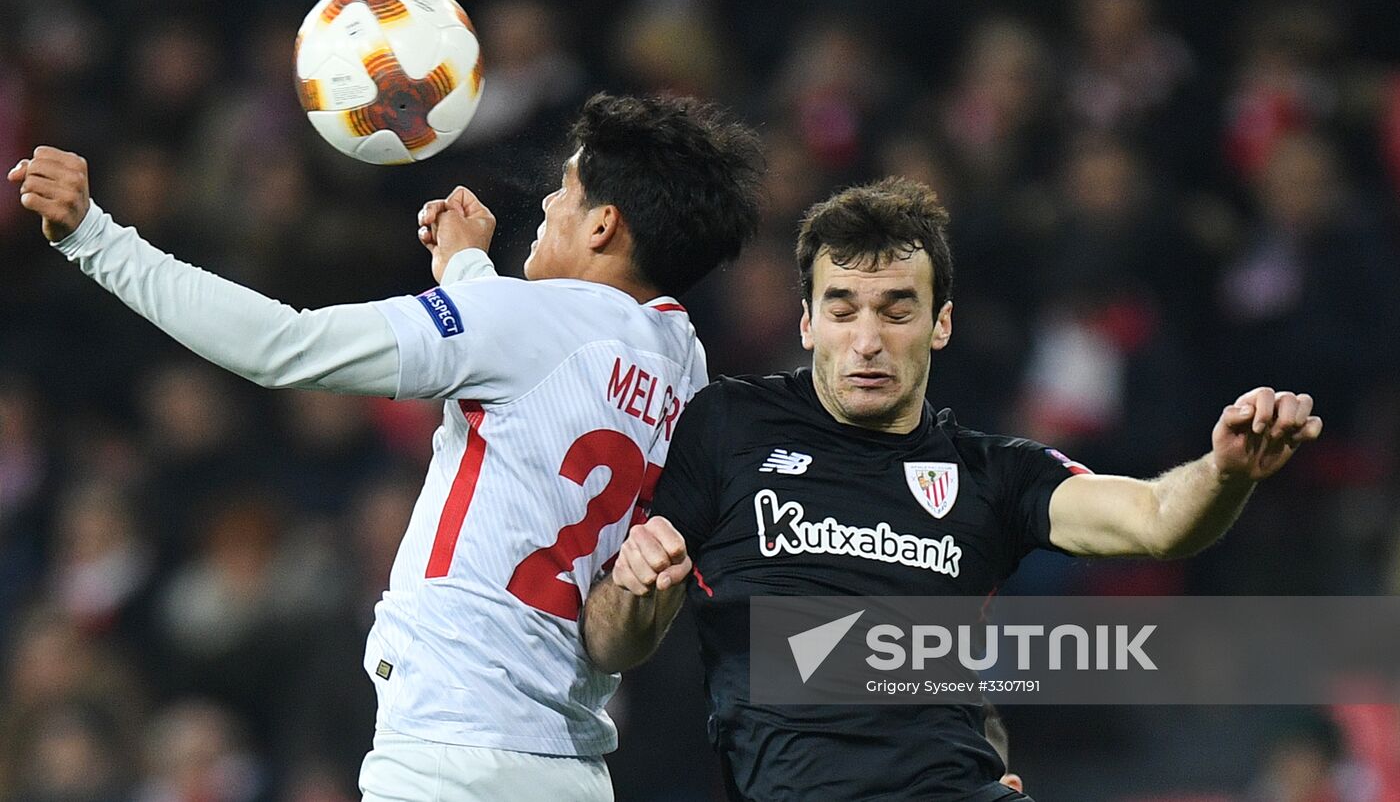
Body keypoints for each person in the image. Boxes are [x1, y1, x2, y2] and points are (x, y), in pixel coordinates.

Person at [10, 92, 764, 802]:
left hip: (449, 745)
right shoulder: (683, 364)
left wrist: (94, 238)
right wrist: (466, 272)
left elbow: (283, 345)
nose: (545, 203)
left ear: (603, 226)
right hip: (569, 761)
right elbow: (548, 374)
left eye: (565, 191)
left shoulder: (512, 318)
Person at [582, 177, 1323, 802]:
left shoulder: (994, 474)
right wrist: (635, 584)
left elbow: (1157, 519)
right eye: (842, 308)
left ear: (940, 324)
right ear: (807, 322)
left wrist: (1225, 470)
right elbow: (615, 640)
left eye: (896, 309)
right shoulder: (727, 424)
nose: (867, 338)